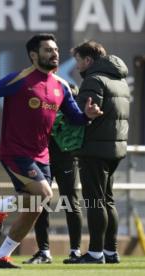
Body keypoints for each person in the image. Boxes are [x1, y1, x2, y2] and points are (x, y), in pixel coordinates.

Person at [0, 33, 103, 269]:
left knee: (36, 206)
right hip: (15, 152)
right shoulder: (19, 79)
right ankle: (0, 205)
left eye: (55, 50)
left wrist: (88, 116)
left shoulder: (61, 85)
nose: (54, 54)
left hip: (42, 155)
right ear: (34, 55)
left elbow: (75, 118)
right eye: (47, 50)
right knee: (43, 194)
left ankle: (1, 256)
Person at [71, 40, 130, 264]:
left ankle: (95, 253)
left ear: (88, 60)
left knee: (95, 201)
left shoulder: (93, 80)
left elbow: (83, 115)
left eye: (78, 61)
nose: (76, 66)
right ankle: (110, 252)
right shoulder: (120, 81)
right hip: (114, 148)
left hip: (94, 148)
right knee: (107, 200)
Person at [23, 84, 83, 265]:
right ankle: (44, 252)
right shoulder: (43, 109)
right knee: (41, 204)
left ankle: (75, 251)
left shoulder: (75, 114)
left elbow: (79, 130)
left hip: (66, 160)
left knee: (71, 202)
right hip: (43, 160)